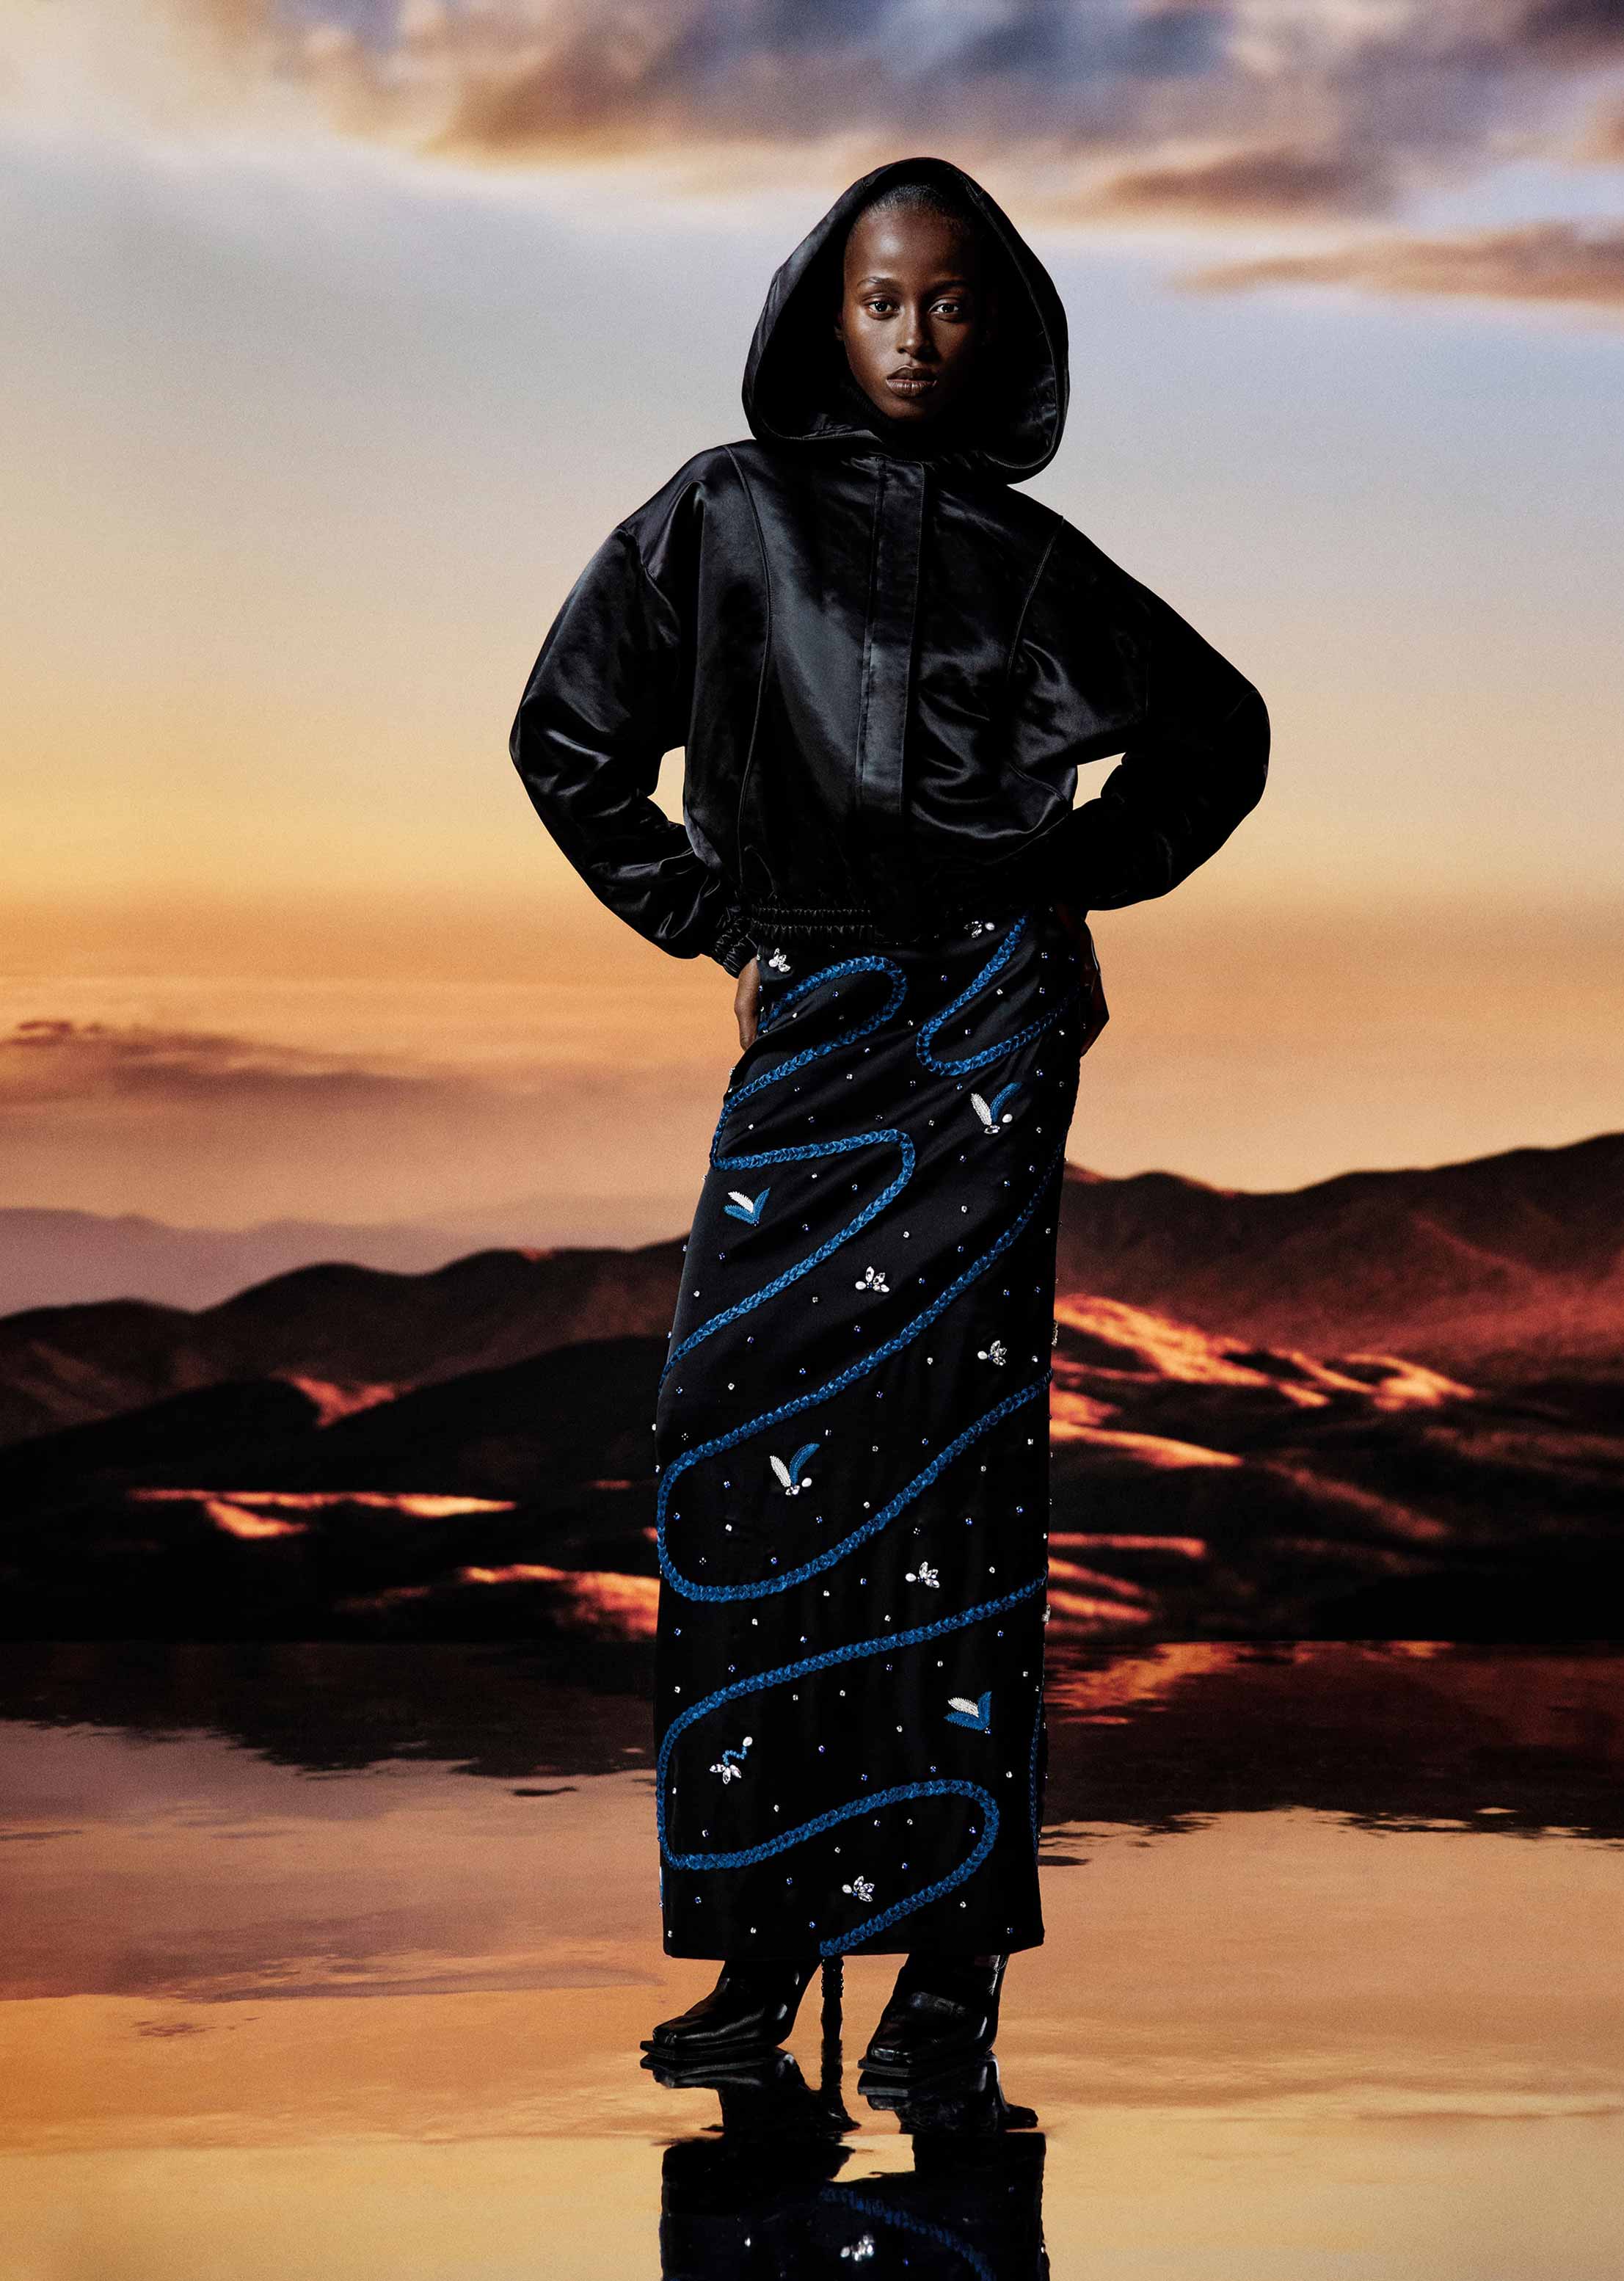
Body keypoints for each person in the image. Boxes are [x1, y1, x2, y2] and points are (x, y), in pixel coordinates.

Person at [508, 154, 1269, 2079]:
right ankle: (761, 1949)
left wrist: (1070, 874)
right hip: (817, 1014)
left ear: (996, 318)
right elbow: (568, 733)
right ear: (818, 313)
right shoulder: (723, 510)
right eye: (879, 299)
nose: (916, 334)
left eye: (948, 301)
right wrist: (707, 920)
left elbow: (1218, 728)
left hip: (991, 1031)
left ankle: (944, 1981)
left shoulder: (1032, 560)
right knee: (726, 1439)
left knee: (953, 1485)